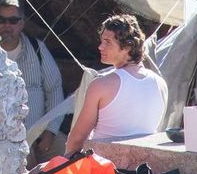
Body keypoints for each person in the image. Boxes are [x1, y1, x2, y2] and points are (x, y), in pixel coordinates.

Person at [64, 14, 167, 157]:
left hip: (102, 168)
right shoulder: (160, 84)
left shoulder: (101, 85)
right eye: (101, 41)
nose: (100, 47)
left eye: (107, 42)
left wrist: (64, 165)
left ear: (127, 46)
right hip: (144, 168)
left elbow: (77, 139)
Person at [0, 0, 65, 163]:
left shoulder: (37, 49)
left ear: (22, 23)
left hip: (39, 133)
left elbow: (54, 89)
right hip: (3, 136)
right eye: (1, 20)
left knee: (68, 153)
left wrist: (50, 131)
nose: (7, 26)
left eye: (13, 21)